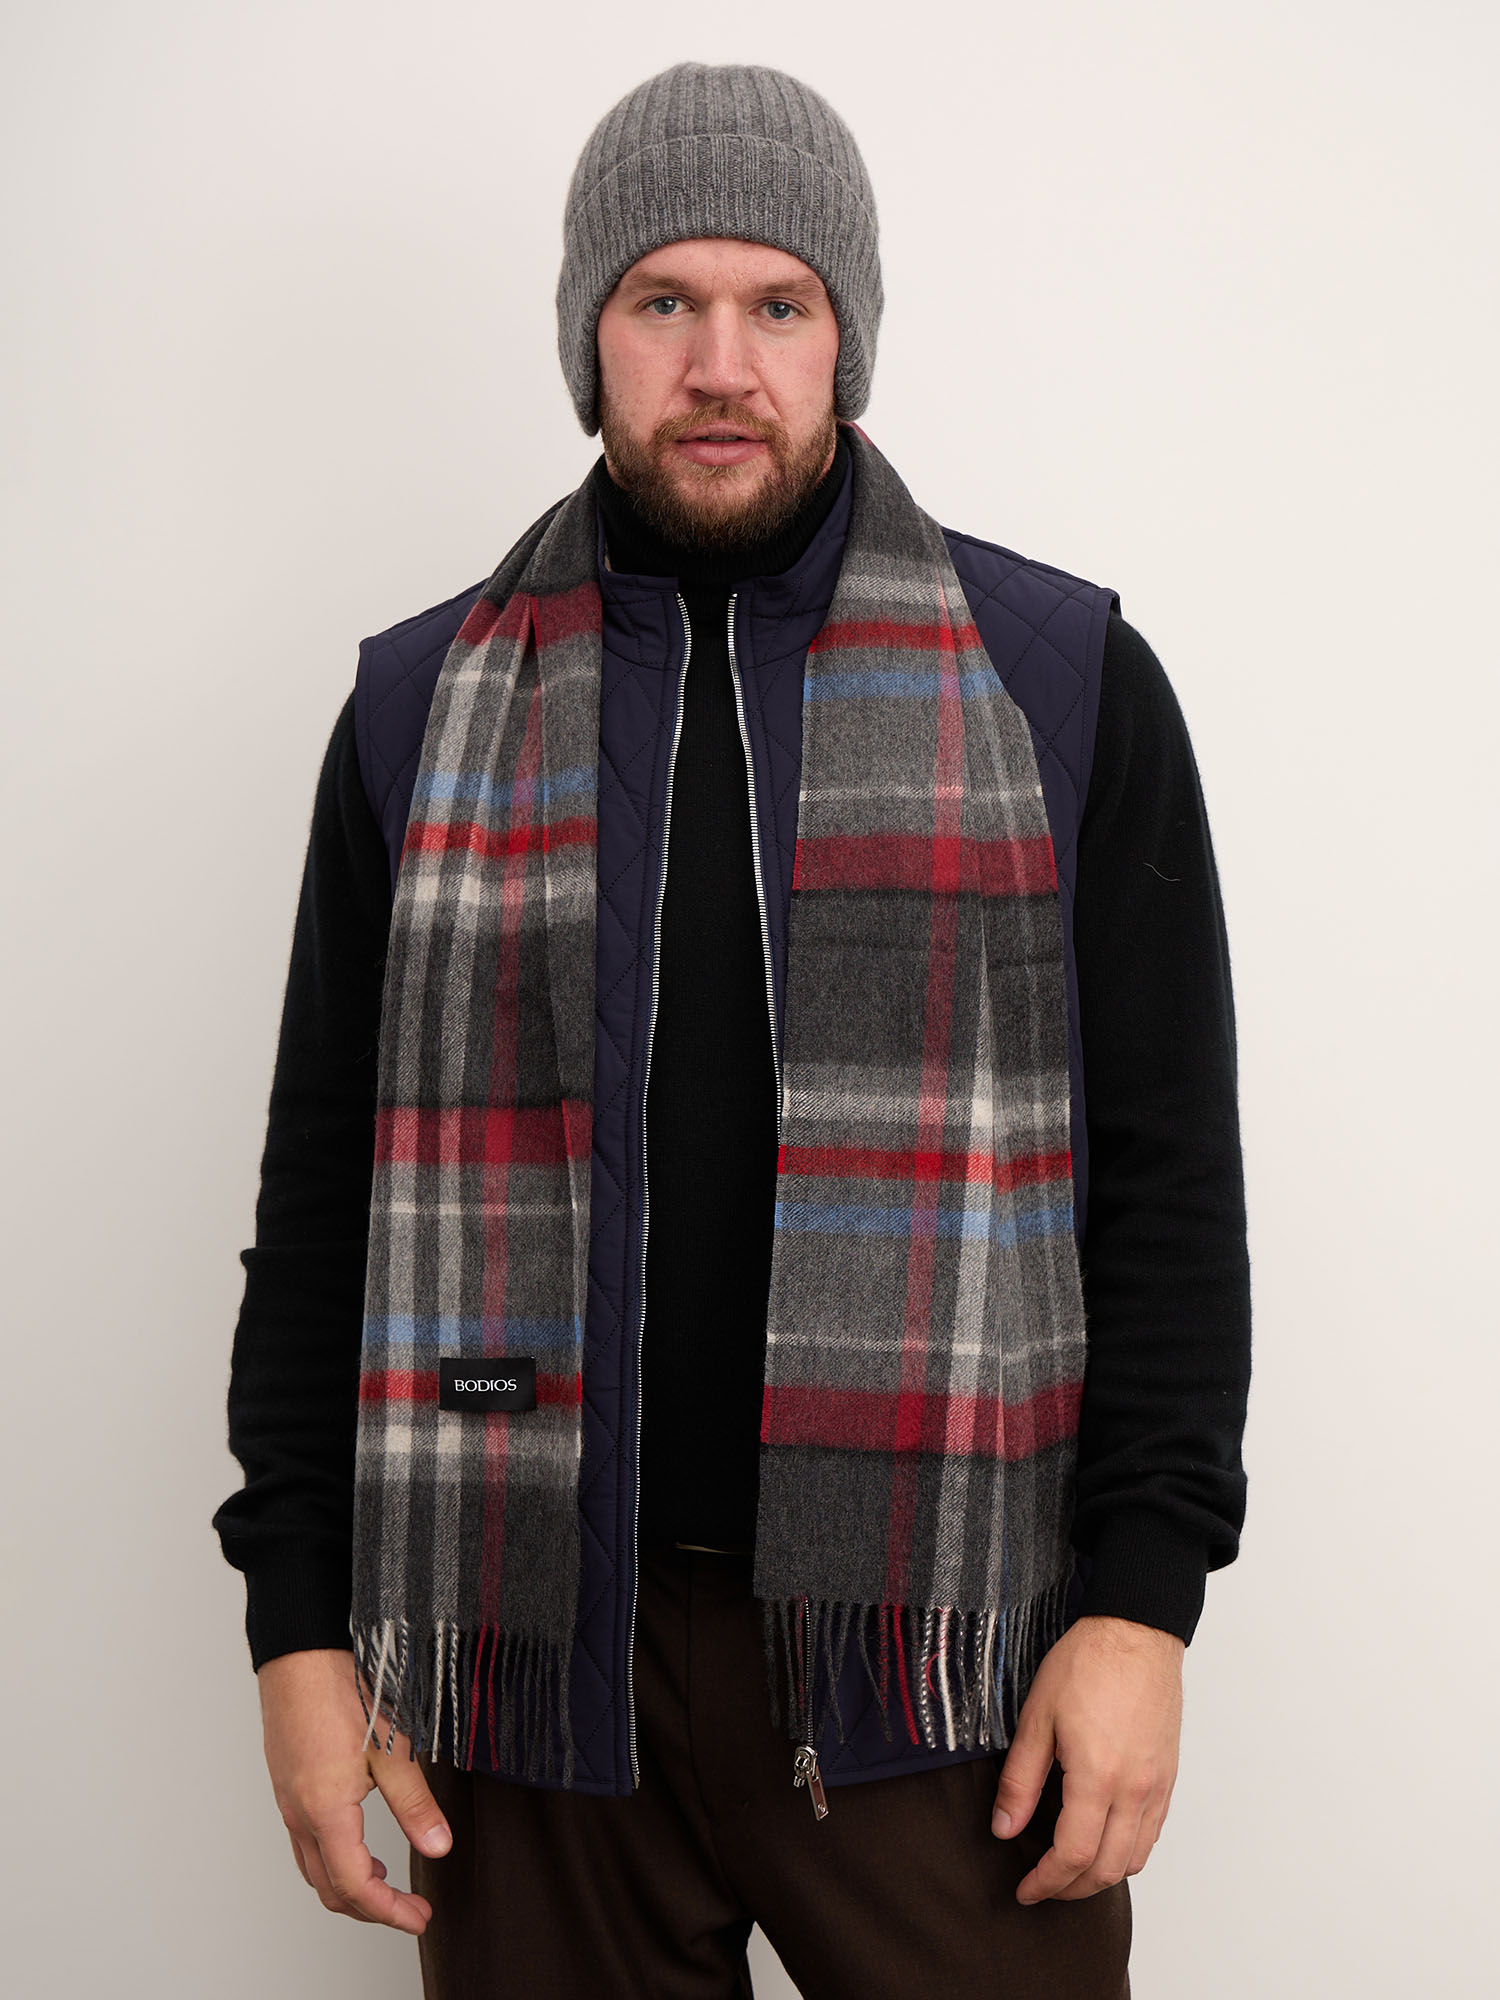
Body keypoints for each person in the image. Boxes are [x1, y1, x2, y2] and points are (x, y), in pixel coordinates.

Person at [213, 60, 1251, 2000]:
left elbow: (1171, 1187)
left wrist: (1143, 1608)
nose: (720, 364)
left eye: (779, 303)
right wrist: (295, 1626)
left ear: (846, 336)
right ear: (587, 339)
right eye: (663, 301)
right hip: (533, 1670)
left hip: (937, 1668)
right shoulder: (419, 711)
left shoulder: (1062, 686)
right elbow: (325, 1197)